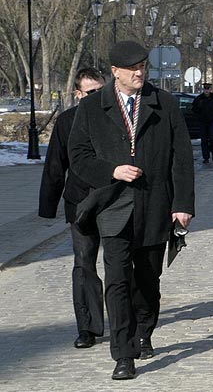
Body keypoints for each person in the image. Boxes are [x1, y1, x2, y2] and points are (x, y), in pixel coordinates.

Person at [68, 41, 195, 380]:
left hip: (155, 204)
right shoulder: (93, 107)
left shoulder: (164, 103)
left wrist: (182, 205)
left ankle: (144, 329)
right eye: (132, 68)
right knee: (117, 280)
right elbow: (78, 156)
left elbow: (181, 159)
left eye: (143, 67)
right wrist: (112, 170)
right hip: (113, 207)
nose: (139, 73)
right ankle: (123, 353)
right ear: (115, 72)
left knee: (148, 278)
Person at [39, 67, 106, 349]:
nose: (96, 97)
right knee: (84, 263)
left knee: (122, 264)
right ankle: (87, 327)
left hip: (116, 199)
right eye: (90, 92)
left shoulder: (115, 118)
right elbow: (56, 165)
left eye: (100, 91)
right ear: (78, 94)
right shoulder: (66, 122)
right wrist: (47, 206)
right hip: (79, 201)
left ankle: (132, 320)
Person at [192, 82, 213, 163]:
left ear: (211, 90)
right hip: (202, 122)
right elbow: (194, 110)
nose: (206, 91)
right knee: (204, 140)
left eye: (208, 89)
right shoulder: (199, 99)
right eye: (205, 89)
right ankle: (206, 157)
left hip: (212, 122)